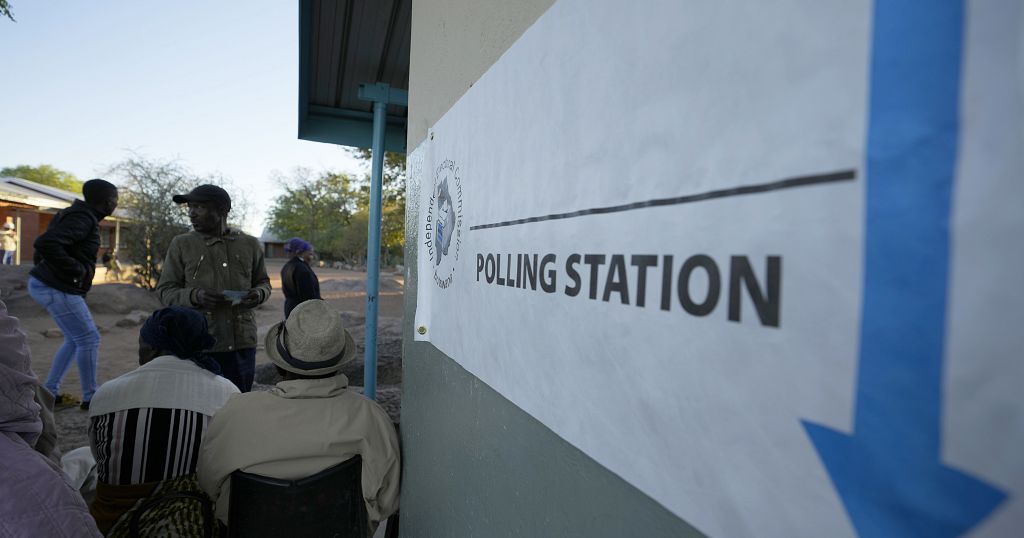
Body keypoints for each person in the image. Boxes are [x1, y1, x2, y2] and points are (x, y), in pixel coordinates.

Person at [198, 300, 400, 533]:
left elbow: (208, 484)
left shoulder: (235, 414)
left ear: (278, 365)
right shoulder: (370, 418)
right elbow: (387, 501)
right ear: (339, 362)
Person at [87, 307, 239, 533]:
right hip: (189, 523)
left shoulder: (107, 393)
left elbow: (99, 456)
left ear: (151, 347)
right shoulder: (227, 393)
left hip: (113, 524)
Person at [0, 300, 102, 537]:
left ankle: (64, 388)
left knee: (77, 338)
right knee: (87, 338)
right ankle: (87, 393)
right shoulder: (32, 485)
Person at [156, 184, 271, 392]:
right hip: (200, 345)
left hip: (241, 344)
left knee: (237, 402)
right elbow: (165, 290)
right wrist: (195, 296)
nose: (192, 214)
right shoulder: (181, 244)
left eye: (199, 207)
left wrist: (258, 294)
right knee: (200, 406)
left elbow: (264, 283)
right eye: (190, 207)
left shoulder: (250, 245)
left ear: (222, 210)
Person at [28, 178, 119, 410]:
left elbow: (46, 246)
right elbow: (46, 243)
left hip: (52, 285)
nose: (116, 204)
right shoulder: (82, 218)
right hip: (57, 287)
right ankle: (91, 397)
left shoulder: (76, 214)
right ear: (106, 201)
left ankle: (50, 393)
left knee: (75, 339)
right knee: (89, 339)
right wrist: (76, 272)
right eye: (114, 199)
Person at [281, 237, 321, 318]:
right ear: (300, 252)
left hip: (289, 308)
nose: (312, 256)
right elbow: (308, 296)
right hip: (303, 313)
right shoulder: (302, 269)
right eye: (309, 253)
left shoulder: (286, 267)